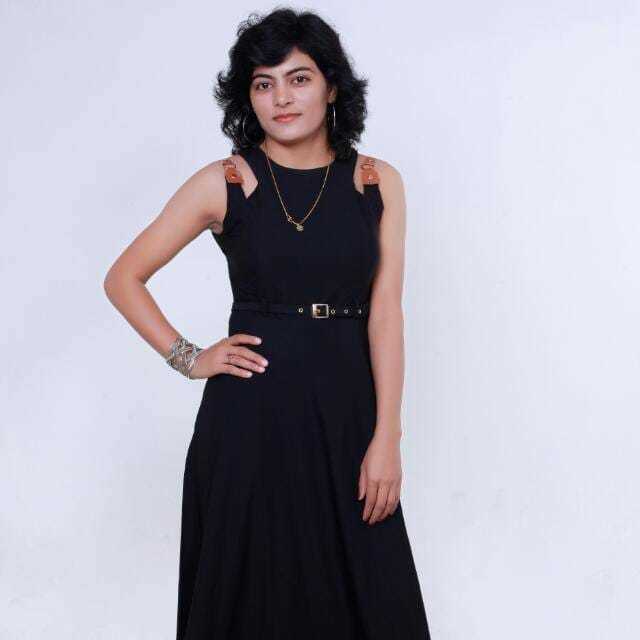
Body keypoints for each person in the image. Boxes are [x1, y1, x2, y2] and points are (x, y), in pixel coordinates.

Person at [104, 8, 431, 639]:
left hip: (346, 418)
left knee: (373, 596)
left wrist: (387, 436)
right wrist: (189, 357)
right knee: (252, 599)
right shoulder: (227, 181)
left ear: (331, 87)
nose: (281, 97)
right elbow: (123, 277)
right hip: (249, 424)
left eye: (298, 78)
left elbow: (386, 312)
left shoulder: (376, 182)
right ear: (247, 96)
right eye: (263, 83)